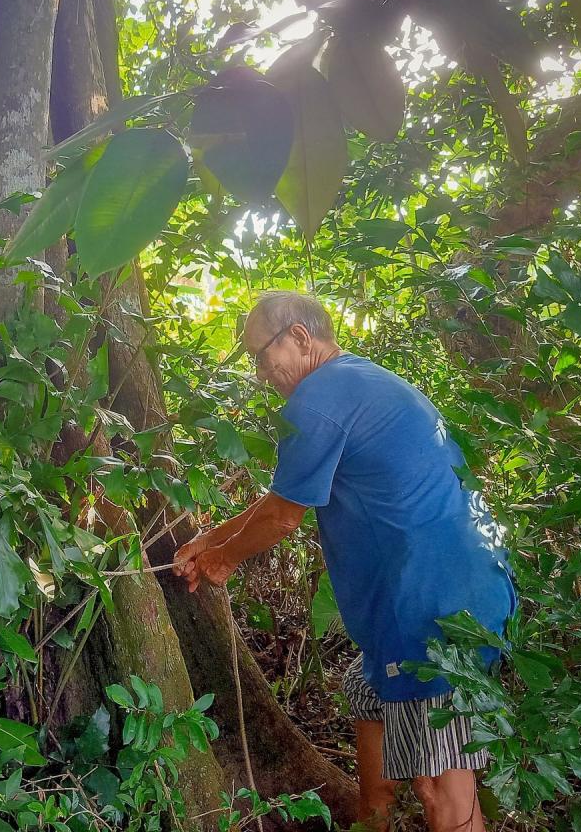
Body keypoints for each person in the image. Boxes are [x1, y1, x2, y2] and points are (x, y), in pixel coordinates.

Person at [172, 291, 516, 832]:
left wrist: (223, 560)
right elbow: (283, 500)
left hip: (438, 611)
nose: (262, 373)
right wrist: (210, 539)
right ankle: (371, 821)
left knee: (440, 788)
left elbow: (286, 519)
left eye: (262, 356)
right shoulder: (357, 381)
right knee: (367, 696)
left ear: (300, 338)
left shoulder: (317, 400)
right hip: (447, 591)